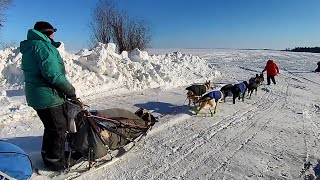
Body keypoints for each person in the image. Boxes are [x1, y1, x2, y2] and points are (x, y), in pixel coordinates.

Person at [20, 21, 78, 171]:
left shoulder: (31, 46)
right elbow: (53, 75)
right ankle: (56, 162)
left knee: (51, 126)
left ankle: (48, 154)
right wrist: (70, 91)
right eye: (52, 32)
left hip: (37, 95)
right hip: (48, 96)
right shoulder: (43, 47)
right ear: (46, 33)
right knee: (59, 128)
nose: (54, 35)